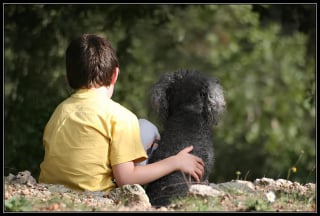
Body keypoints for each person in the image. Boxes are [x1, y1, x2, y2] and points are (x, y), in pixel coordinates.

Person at [38, 33, 204, 192]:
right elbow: (126, 178)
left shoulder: (59, 111)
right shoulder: (120, 117)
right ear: (115, 75)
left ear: (68, 79)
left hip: (51, 191)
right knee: (146, 128)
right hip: (96, 196)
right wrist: (175, 162)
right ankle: (144, 197)